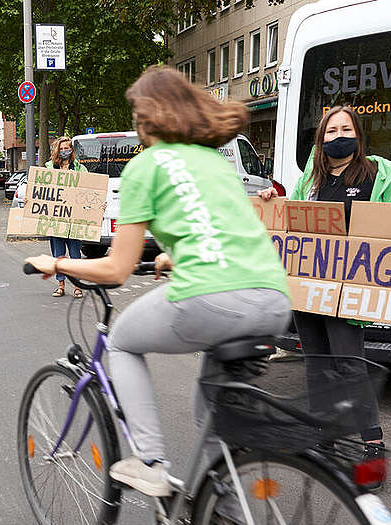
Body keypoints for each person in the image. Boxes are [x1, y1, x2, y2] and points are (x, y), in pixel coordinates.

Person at [25, 66, 291, 497]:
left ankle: (149, 461)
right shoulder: (214, 160)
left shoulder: (144, 167)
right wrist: (174, 253)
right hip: (274, 300)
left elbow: (117, 269)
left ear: (147, 117)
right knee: (211, 409)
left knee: (124, 342)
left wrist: (59, 263)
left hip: (212, 297)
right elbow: (216, 227)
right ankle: (217, 520)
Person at [257, 104, 391, 475]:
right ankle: (324, 436)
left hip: (349, 289)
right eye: (331, 132)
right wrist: (272, 202)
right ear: (321, 139)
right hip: (309, 288)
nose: (338, 137)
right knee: (317, 365)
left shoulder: (376, 175)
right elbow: (290, 221)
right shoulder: (310, 180)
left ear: (358, 136)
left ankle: (373, 448)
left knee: (349, 365)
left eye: (345, 130)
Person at [44, 137, 87, 298]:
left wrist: (97, 207)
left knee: (75, 255)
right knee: (58, 254)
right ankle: (60, 285)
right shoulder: (49, 168)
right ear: (57, 151)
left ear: (72, 150)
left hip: (74, 220)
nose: (64, 151)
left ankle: (77, 286)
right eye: (61, 149)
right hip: (56, 219)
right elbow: (41, 190)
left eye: (67, 148)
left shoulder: (80, 169)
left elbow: (89, 191)